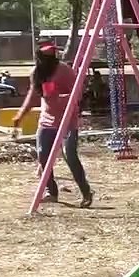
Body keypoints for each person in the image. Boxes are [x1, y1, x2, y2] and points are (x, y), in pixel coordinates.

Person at [13, 42, 93, 208]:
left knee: (69, 154)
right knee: (43, 154)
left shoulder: (64, 70)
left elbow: (78, 93)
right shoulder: (36, 73)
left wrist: (59, 97)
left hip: (67, 120)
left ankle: (86, 191)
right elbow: (33, 95)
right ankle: (51, 191)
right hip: (47, 120)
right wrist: (20, 115)